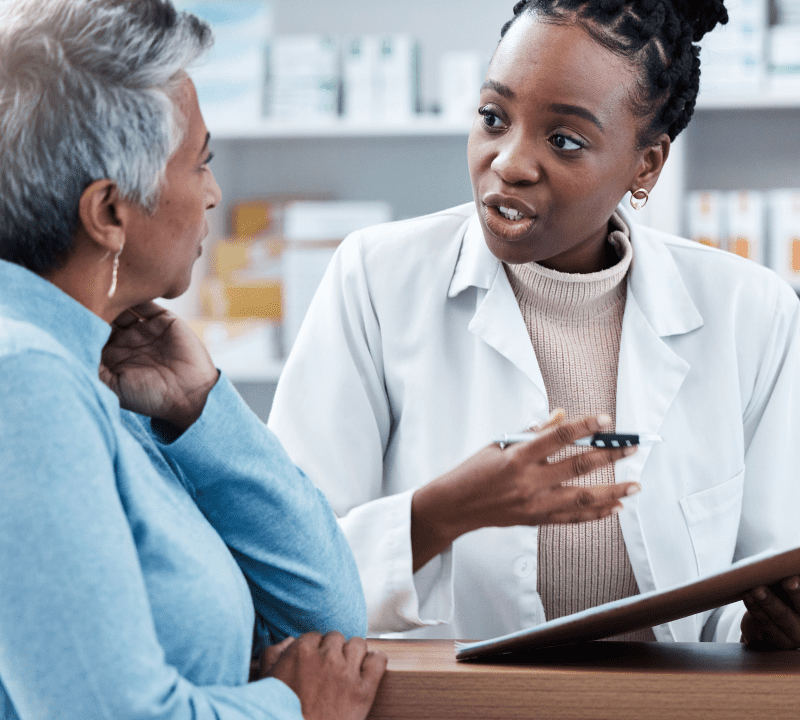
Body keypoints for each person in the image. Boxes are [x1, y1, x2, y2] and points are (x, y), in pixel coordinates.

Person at [269, 0, 800, 650]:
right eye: (494, 117)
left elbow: (753, 583)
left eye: (565, 139)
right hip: (452, 706)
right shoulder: (376, 278)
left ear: (647, 166)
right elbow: (284, 566)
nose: (510, 162)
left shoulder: (750, 312)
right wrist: (446, 510)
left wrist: (768, 625)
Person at [0, 1, 386, 718]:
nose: (212, 193)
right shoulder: (24, 383)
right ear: (109, 211)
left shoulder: (97, 369)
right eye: (201, 161)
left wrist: (200, 407)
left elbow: (326, 619)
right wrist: (295, 711)